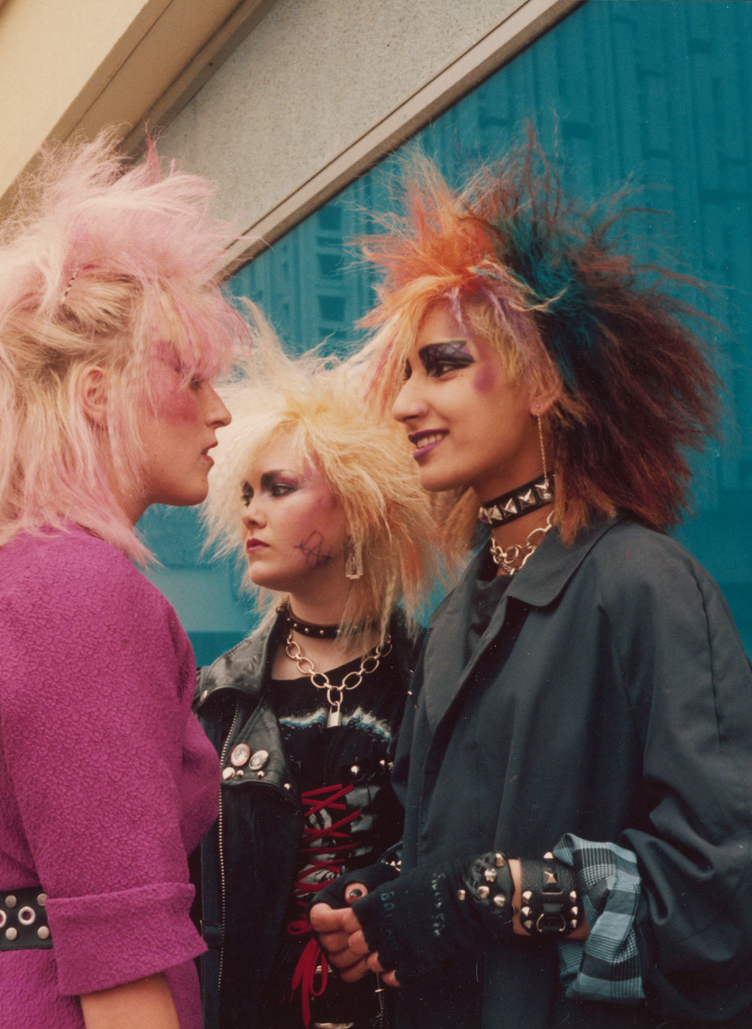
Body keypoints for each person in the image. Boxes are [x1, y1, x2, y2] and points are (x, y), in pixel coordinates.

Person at [311, 139, 752, 1028]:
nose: (402, 405)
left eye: (444, 364)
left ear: (542, 377)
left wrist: (498, 893)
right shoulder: (457, 614)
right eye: (405, 372)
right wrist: (385, 902)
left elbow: (731, 890)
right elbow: (447, 847)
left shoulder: (644, 583)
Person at [0, 134, 245, 1028]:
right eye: (192, 377)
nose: (221, 410)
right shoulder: (76, 592)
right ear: (95, 391)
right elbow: (122, 958)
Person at [194, 334, 441, 1029]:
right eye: (245, 491)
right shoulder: (220, 696)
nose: (250, 510)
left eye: (279, 488)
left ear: (358, 502)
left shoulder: (435, 675)